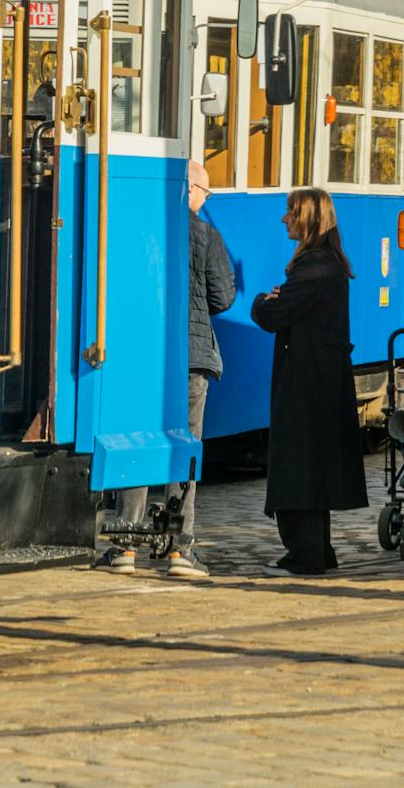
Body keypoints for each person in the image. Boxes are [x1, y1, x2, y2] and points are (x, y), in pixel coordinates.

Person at [98, 160, 235, 579]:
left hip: (143, 357)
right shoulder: (206, 234)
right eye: (206, 193)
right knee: (186, 449)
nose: (205, 200)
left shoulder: (143, 226)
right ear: (190, 190)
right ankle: (179, 549)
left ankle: (125, 546)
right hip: (191, 357)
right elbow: (224, 296)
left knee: (137, 444)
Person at [251, 188, 368, 576]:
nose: (284, 219)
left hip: (307, 380)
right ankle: (318, 550)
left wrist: (261, 301)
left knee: (297, 462)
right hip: (321, 377)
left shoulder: (313, 266)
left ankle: (304, 553)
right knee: (314, 464)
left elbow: (273, 314)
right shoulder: (328, 263)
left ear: (308, 219)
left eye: (290, 212)